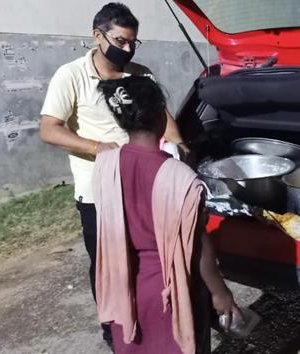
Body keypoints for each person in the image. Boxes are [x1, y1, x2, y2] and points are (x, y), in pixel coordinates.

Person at [38, 2, 190, 341]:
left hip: (144, 188)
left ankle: (152, 322)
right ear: (97, 35)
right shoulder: (71, 75)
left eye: (133, 42)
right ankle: (115, 330)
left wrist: (181, 153)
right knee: (110, 266)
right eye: (120, 41)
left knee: (149, 260)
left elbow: (165, 121)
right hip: (100, 192)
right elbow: (49, 129)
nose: (127, 49)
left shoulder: (141, 75)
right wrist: (99, 149)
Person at [93, 76, 239, 354]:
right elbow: (198, 247)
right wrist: (220, 292)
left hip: (124, 285)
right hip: (170, 293)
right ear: (162, 114)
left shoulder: (105, 163)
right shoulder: (179, 176)